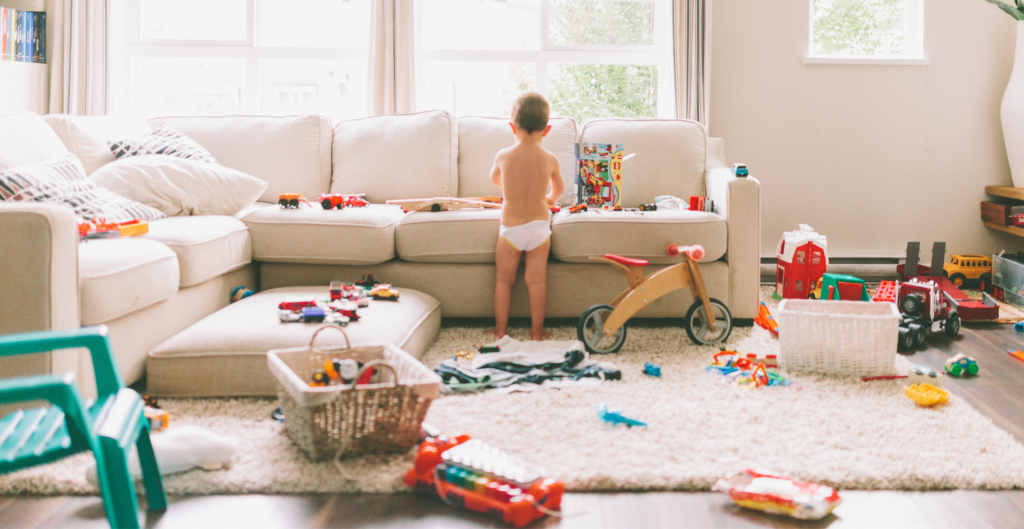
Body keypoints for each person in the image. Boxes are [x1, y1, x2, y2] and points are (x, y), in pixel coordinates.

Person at [485, 92, 564, 340]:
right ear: (547, 130)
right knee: (537, 281)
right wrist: (549, 199)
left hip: (511, 229)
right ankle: (537, 331)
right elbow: (559, 190)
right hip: (539, 228)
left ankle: (500, 329)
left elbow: (494, 179)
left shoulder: (504, 155)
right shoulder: (549, 159)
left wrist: (506, 185)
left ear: (512, 127)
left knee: (504, 280)